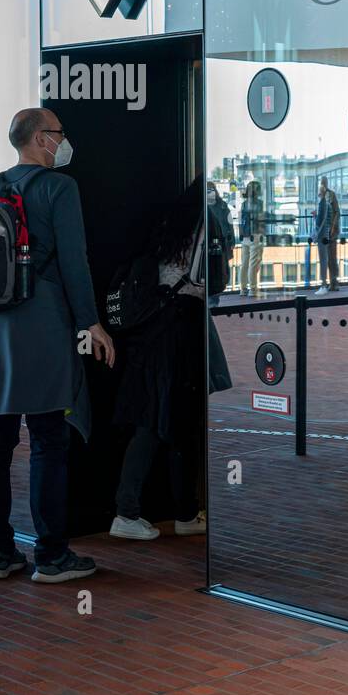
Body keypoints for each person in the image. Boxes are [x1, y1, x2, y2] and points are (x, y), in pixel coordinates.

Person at [0, 107, 115, 583]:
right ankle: (51, 556)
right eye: (59, 133)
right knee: (49, 439)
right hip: (43, 327)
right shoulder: (59, 188)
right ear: (40, 139)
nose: (63, 140)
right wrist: (93, 323)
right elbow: (75, 262)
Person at [110, 178, 231, 540]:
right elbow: (217, 279)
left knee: (153, 422)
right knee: (178, 423)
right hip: (181, 329)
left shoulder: (169, 220)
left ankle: (155, 511)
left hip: (152, 330)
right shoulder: (206, 221)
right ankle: (164, 513)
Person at [206, 182, 234, 307]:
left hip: (219, 245)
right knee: (217, 271)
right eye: (207, 190)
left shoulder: (222, 206)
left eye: (210, 190)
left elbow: (230, 225)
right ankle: (213, 301)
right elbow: (230, 225)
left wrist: (231, 241)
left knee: (219, 271)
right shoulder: (222, 206)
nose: (209, 193)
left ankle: (213, 301)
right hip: (215, 246)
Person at [313, 174, 340, 293]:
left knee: (332, 258)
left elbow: (337, 212)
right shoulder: (321, 196)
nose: (323, 184)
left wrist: (333, 227)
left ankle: (334, 282)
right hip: (324, 232)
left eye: (324, 182)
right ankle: (327, 283)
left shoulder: (331, 195)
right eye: (322, 182)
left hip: (331, 232)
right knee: (325, 258)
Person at [240, 179, 265, 297]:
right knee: (253, 263)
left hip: (244, 236)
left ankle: (243, 288)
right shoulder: (259, 203)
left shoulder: (244, 204)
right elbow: (260, 220)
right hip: (255, 235)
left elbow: (241, 220)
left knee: (244, 263)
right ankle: (253, 289)